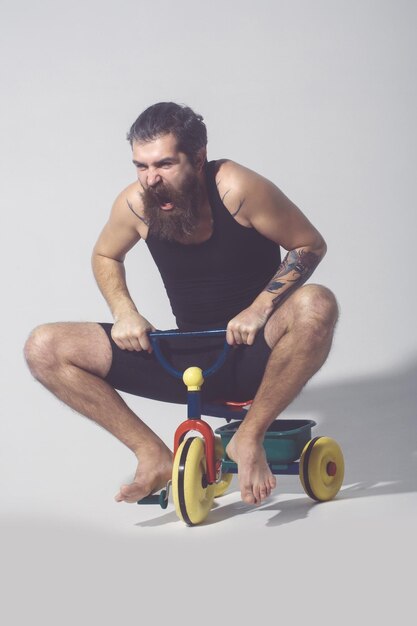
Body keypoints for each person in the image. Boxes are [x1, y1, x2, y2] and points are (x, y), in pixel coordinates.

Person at [24, 102, 339, 507]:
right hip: (190, 356)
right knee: (44, 346)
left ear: (198, 157)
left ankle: (250, 436)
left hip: (259, 349)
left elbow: (309, 244)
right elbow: (105, 255)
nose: (151, 179)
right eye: (141, 166)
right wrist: (124, 311)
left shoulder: (236, 189)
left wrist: (260, 309)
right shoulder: (137, 203)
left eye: (165, 164)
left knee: (317, 304)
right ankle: (152, 455)